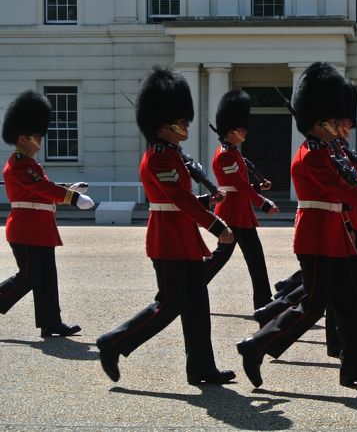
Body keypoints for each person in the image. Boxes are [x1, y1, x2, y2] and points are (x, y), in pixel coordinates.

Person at [236, 62, 357, 388]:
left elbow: (353, 179)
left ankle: (355, 368)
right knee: (312, 306)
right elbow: (342, 190)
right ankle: (256, 346)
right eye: (330, 120)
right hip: (316, 236)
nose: (337, 126)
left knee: (349, 304)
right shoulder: (312, 154)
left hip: (334, 234)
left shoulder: (327, 150)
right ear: (316, 122)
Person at [96, 66, 236, 386]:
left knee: (198, 305)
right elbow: (178, 200)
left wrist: (205, 200)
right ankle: (114, 342)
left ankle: (201, 367)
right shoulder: (158, 157)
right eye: (181, 119)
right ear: (164, 123)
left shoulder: (171, 154)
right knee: (169, 304)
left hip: (181, 235)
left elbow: (180, 198)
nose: (186, 124)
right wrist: (215, 226)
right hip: (169, 239)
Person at [0, 90, 94, 337]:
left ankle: (51, 322)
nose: (41, 139)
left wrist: (68, 191)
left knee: (47, 279)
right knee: (28, 278)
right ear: (23, 137)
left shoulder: (31, 164)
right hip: (26, 229)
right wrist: (73, 198)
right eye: (36, 135)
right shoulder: (20, 164)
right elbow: (40, 188)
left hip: (39, 229)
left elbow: (42, 194)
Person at [203, 88, 279, 311]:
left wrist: (258, 186)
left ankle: (264, 302)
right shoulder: (226, 153)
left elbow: (239, 183)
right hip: (232, 213)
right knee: (226, 257)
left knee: (248, 257)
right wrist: (263, 203)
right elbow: (237, 185)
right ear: (231, 130)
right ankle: (264, 302)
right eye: (241, 128)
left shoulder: (233, 151)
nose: (245, 131)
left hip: (239, 211)